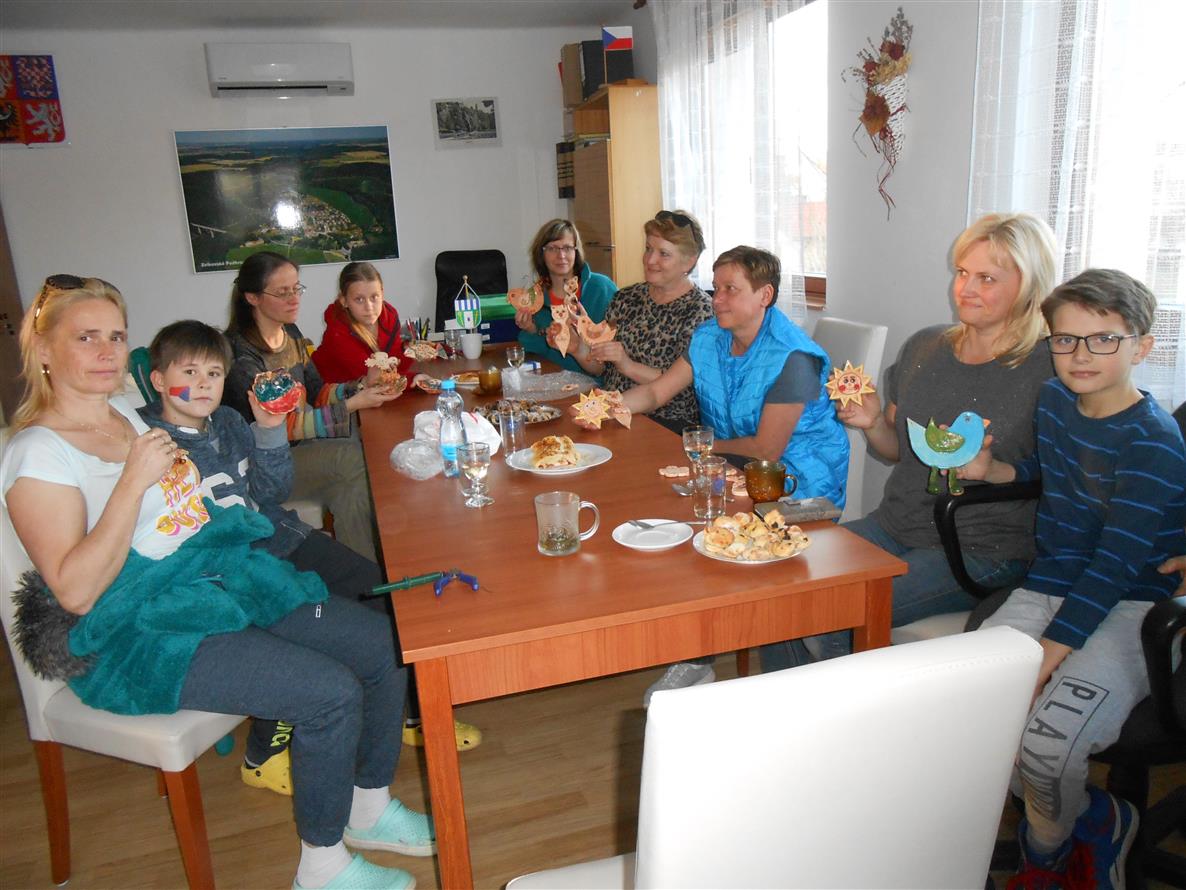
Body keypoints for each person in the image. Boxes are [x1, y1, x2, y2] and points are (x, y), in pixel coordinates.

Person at [1, 277, 432, 890]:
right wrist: (132, 483)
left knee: (385, 647)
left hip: (217, 580)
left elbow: (188, 509)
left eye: (116, 337)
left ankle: (368, 808)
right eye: (86, 337)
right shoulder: (37, 454)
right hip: (139, 630)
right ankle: (323, 866)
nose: (106, 352)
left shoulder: (123, 417)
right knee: (329, 692)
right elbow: (75, 592)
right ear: (44, 349)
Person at [140, 320, 481, 793]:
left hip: (282, 538)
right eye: (189, 372)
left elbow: (271, 492)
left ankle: (407, 712)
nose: (203, 385)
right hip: (239, 572)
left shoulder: (230, 423)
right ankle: (266, 752)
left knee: (392, 601)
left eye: (213, 374)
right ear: (159, 379)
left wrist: (269, 432)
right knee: (321, 636)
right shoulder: (149, 445)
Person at [959, 268, 1186, 886]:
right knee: (973, 711)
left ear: (1142, 346)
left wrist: (1047, 656)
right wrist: (995, 470)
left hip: (1132, 602)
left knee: (1045, 742)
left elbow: (1115, 565)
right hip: (1051, 581)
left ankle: (1047, 852)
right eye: (1065, 339)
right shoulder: (1054, 400)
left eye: (1104, 338)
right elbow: (1048, 469)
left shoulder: (1153, 439)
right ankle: (1091, 816)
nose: (1081, 354)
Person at [767, 212, 1059, 672]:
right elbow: (897, 452)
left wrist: (994, 470)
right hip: (893, 525)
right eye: (962, 272)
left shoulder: (1050, 369)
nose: (966, 288)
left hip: (980, 549)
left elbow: (1066, 480)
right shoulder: (926, 347)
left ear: (1030, 285)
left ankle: (847, 713)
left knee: (831, 614)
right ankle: (780, 704)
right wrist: (871, 423)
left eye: (986, 278)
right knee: (777, 581)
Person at [618, 246, 850, 705]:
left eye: (730, 290)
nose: (717, 299)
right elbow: (658, 392)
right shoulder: (709, 337)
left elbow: (766, 450)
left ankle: (812, 672)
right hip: (736, 476)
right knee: (672, 520)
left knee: (701, 534)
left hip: (801, 488)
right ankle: (699, 655)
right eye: (715, 288)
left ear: (765, 295)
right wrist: (608, 408)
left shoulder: (793, 356)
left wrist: (696, 447)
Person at [224, 251, 401, 562]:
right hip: (264, 468)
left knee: (352, 485)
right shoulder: (241, 357)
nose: (294, 299)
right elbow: (281, 429)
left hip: (300, 451)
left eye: (296, 288)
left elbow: (318, 391)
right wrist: (353, 403)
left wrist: (361, 384)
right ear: (252, 297)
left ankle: (366, 572)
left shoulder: (290, 333)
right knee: (355, 456)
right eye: (282, 292)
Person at [568, 210, 714, 431]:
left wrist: (627, 365)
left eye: (664, 253)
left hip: (666, 425)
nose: (650, 260)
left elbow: (680, 386)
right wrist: (577, 348)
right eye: (648, 248)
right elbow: (601, 369)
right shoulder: (626, 298)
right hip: (611, 414)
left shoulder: (701, 312)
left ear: (689, 261)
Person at [512, 218, 617, 373]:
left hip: (598, 382)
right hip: (555, 379)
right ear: (541, 254)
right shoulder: (536, 298)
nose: (561, 255)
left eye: (567, 248)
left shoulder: (601, 288)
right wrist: (531, 329)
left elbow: (616, 352)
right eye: (552, 248)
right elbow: (539, 354)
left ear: (576, 251)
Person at [312, 261, 413, 384]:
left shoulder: (390, 317)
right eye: (359, 299)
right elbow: (373, 379)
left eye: (374, 297)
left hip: (368, 391)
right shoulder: (337, 333)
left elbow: (394, 365)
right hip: (328, 391)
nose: (369, 307)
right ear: (344, 301)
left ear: (382, 293)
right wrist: (415, 379)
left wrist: (413, 353)